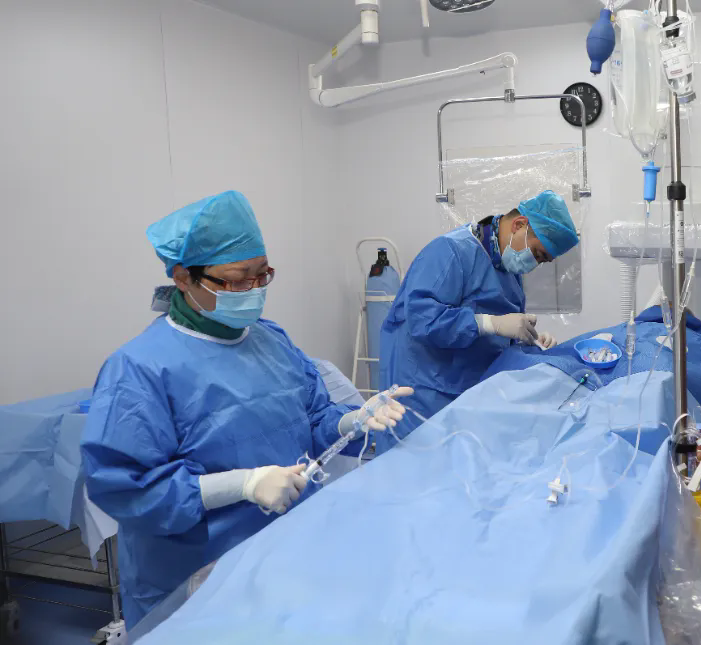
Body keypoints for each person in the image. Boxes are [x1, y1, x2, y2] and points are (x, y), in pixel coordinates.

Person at [80, 190, 412, 628]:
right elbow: (127, 488)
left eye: (262, 275)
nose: (254, 290)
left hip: (286, 553)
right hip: (194, 579)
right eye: (237, 280)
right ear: (183, 278)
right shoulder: (139, 368)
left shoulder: (271, 341)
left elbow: (312, 420)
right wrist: (243, 485)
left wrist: (353, 420)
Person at [379, 190, 579, 450]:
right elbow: (422, 320)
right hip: (423, 394)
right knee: (414, 464)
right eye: (538, 254)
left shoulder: (507, 270)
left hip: (466, 392)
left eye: (544, 261)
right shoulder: (449, 252)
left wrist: (528, 340)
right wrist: (492, 324)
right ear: (519, 225)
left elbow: (497, 331)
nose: (535, 264)